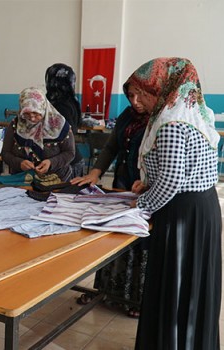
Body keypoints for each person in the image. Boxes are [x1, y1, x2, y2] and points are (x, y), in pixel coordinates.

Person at [126, 58, 222, 350]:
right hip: (203, 208)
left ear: (162, 86)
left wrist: (139, 207)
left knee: (176, 284)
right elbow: (180, 169)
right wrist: (149, 182)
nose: (136, 100)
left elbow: (171, 181)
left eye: (141, 92)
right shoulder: (196, 113)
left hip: (182, 214)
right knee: (194, 285)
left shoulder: (170, 122)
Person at [70, 82, 151, 318]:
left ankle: (135, 298)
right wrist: (95, 173)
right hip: (122, 184)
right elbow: (111, 147)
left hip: (145, 187)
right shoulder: (127, 116)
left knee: (137, 238)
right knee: (113, 234)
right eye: (130, 96)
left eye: (139, 96)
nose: (134, 101)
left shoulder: (159, 119)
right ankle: (105, 291)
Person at [1, 87, 76, 181]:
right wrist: (19, 163)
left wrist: (51, 163)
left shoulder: (60, 125)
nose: (32, 119)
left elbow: (70, 153)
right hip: (22, 180)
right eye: (27, 114)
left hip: (56, 180)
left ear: (44, 108)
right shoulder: (16, 125)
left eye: (36, 114)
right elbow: (5, 153)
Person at [45, 63, 86, 177]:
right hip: (66, 160)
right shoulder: (70, 100)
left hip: (67, 164)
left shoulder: (60, 105)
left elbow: (67, 133)